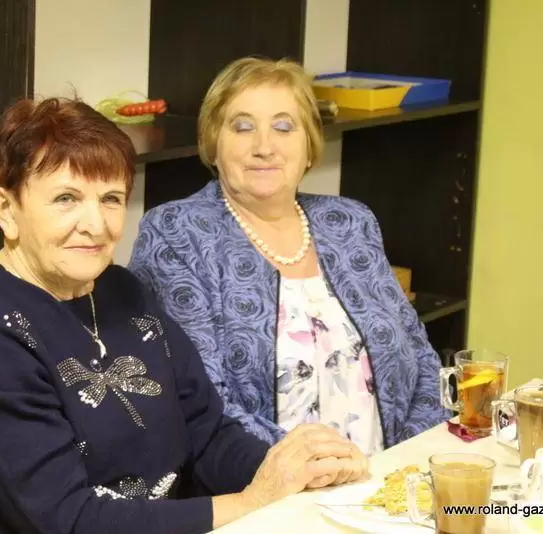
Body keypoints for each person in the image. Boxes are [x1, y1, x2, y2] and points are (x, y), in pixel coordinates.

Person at [0, 97, 369, 534]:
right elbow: (69, 521)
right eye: (66, 198)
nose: (95, 225)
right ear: (6, 209)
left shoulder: (121, 290)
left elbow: (207, 432)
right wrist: (252, 501)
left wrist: (291, 473)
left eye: (111, 198)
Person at [128, 57, 451, 455]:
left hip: (385, 479)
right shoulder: (176, 233)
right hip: (265, 482)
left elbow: (421, 357)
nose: (264, 147)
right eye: (242, 127)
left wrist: (403, 462)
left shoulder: (350, 222)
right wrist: (321, 468)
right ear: (212, 145)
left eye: (283, 127)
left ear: (309, 147)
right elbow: (201, 400)